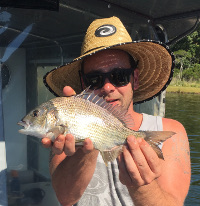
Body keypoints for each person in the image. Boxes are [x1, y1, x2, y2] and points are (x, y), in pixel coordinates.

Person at [42, 16, 191, 206]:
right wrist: (85, 145)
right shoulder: (67, 127)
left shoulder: (172, 131)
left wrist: (141, 186)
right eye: (94, 79)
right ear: (83, 84)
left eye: (119, 76)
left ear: (134, 79)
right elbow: (66, 198)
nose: (107, 87)